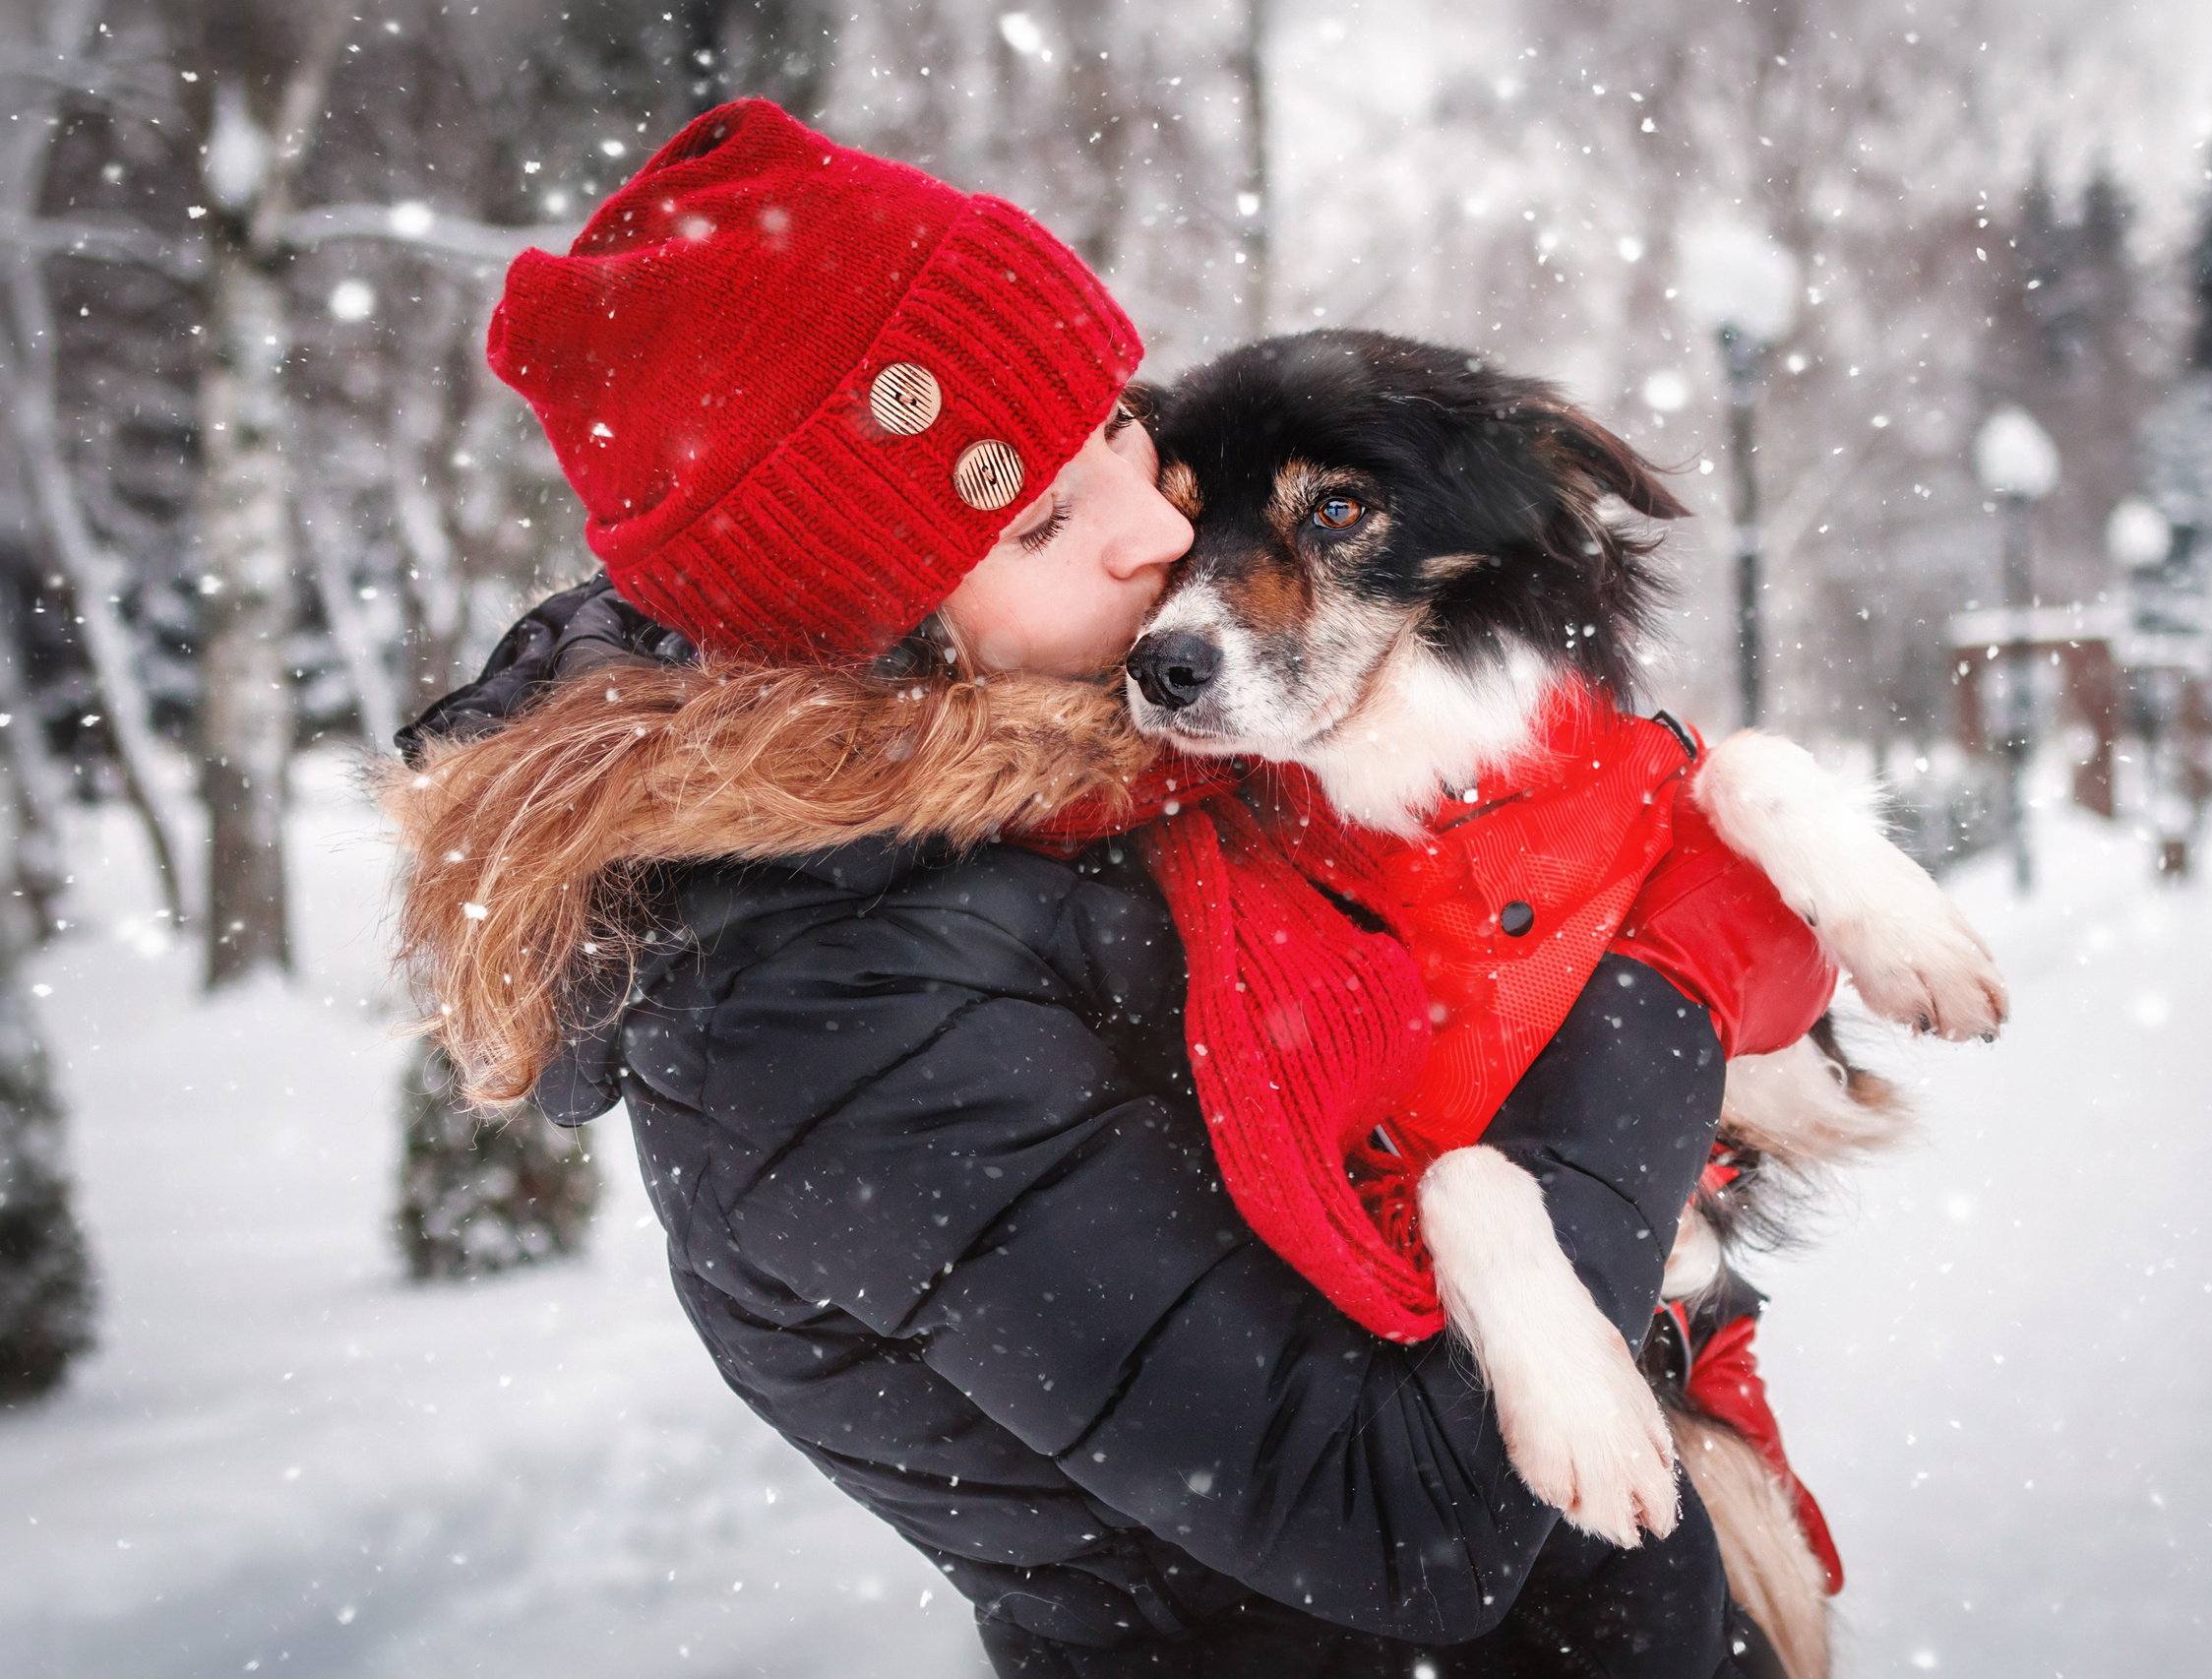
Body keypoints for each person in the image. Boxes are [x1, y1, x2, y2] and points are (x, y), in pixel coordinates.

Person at [389, 99, 1794, 1677]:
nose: (1160, 526)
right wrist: (1667, 987)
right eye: (1044, 516)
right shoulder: (814, 1009)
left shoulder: (1105, 767)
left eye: (1123, 432)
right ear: (877, 629)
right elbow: (1409, 1517)